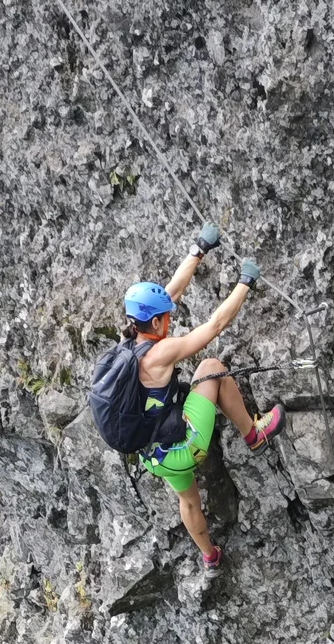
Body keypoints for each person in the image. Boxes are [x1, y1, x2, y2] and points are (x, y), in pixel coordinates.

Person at [121, 231, 284, 570]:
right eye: (164, 319)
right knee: (212, 369)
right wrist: (246, 283)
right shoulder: (160, 352)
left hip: (154, 456)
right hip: (184, 446)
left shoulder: (127, 345)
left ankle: (210, 556)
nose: (169, 319)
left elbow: (172, 293)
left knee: (189, 500)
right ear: (153, 322)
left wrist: (199, 249)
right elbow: (215, 325)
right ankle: (254, 434)